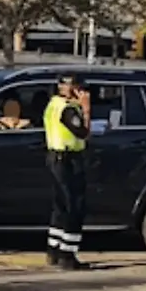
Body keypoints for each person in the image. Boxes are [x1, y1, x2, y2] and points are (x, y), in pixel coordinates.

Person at [44, 74, 91, 270]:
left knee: (60, 207)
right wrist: (87, 110)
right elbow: (83, 132)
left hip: (55, 158)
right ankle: (68, 255)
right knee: (74, 207)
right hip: (68, 161)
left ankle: (53, 250)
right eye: (79, 88)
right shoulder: (68, 109)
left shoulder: (53, 104)